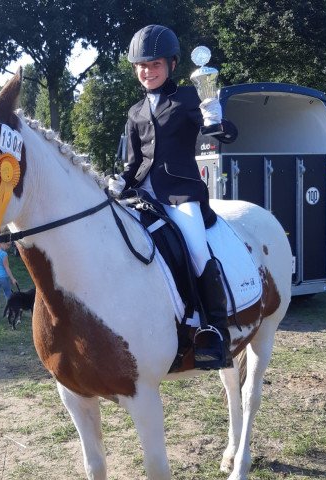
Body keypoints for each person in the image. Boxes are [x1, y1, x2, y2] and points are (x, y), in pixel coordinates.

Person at [108, 24, 238, 370]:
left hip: (180, 194)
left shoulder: (187, 99)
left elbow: (226, 135)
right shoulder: (135, 112)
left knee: (196, 248)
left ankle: (215, 329)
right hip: (142, 195)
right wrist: (120, 182)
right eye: (142, 66)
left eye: (155, 65)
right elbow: (135, 161)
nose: (148, 72)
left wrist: (215, 119)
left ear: (171, 65)